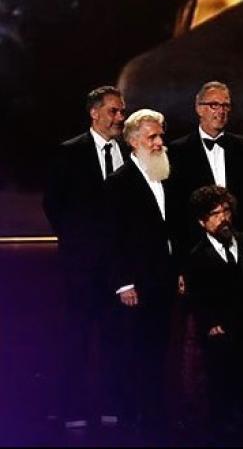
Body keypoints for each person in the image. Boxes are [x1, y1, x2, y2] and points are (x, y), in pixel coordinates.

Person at [43, 86, 128, 430]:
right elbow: (54, 205)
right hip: (81, 268)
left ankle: (112, 407)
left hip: (120, 271)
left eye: (122, 112)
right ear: (94, 113)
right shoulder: (70, 153)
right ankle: (73, 409)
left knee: (116, 341)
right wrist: (81, 247)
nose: (120, 118)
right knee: (77, 340)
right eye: (113, 111)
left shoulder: (129, 151)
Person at [106, 109, 182, 432]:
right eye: (152, 137)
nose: (159, 142)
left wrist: (179, 271)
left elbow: (175, 230)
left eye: (160, 136)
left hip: (164, 280)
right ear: (134, 142)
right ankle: (131, 417)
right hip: (136, 284)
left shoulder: (167, 175)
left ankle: (154, 414)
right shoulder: (119, 184)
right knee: (133, 351)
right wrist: (123, 284)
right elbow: (112, 239)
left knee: (160, 349)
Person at [182, 186, 243, 437]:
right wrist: (210, 322)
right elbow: (197, 295)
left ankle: (238, 403)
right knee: (223, 369)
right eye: (215, 213)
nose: (223, 218)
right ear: (202, 221)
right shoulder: (196, 255)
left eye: (226, 211)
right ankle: (227, 413)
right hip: (220, 324)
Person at [168, 81, 243, 234]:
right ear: (199, 108)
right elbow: (176, 202)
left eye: (225, 105)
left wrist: (241, 232)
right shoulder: (178, 150)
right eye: (214, 105)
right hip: (196, 244)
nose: (221, 111)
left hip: (239, 238)